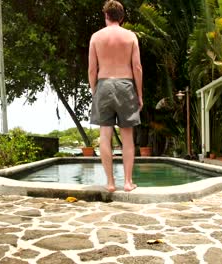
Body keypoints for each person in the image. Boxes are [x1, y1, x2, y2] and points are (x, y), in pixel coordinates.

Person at [88, 0, 143, 192]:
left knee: (105, 135)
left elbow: (92, 69)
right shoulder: (130, 37)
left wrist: (95, 91)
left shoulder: (96, 37)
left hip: (103, 85)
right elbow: (137, 67)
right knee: (127, 137)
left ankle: (110, 183)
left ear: (106, 16)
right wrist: (140, 94)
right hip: (126, 85)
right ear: (122, 17)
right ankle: (127, 182)